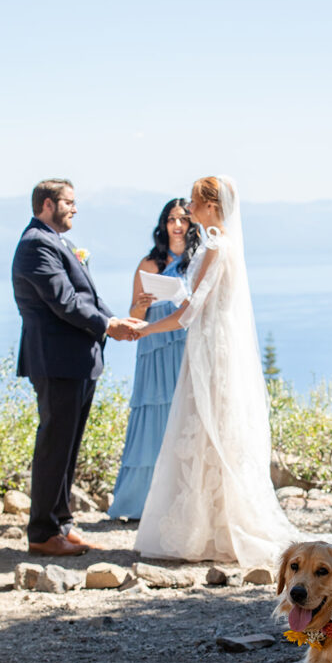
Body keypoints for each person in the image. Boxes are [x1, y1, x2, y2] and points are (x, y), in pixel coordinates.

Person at [134, 176, 298, 568]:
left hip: (210, 351)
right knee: (212, 431)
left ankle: (213, 529)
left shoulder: (216, 246)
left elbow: (189, 313)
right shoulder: (220, 246)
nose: (188, 209)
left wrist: (144, 328)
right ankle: (215, 525)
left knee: (209, 428)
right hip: (213, 346)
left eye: (193, 202)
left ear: (211, 206)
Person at [12, 179, 142, 557]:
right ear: (48, 204)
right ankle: (42, 532)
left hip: (76, 360)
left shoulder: (56, 241)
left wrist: (114, 318)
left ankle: (61, 526)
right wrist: (108, 326)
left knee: (68, 447)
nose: (75, 209)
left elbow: (88, 297)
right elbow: (63, 301)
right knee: (55, 446)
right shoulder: (36, 243)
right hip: (56, 360)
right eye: (69, 202)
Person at [109, 199, 200, 519]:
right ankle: (138, 502)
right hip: (153, 346)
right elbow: (134, 316)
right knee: (152, 415)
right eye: (171, 219)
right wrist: (141, 304)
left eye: (183, 220)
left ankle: (183, 500)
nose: (177, 225)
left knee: (186, 412)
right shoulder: (148, 264)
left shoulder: (198, 260)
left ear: (192, 225)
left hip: (186, 344)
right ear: (163, 224)